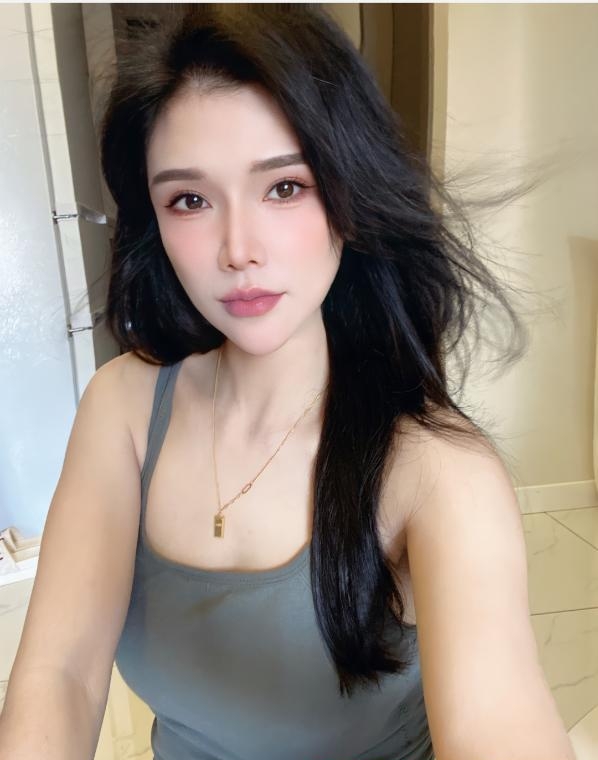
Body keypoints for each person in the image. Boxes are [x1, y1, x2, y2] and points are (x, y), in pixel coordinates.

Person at [0, 6, 575, 760]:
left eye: (284, 188)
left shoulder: (437, 470)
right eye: (190, 200)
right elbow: (62, 675)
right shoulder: (125, 408)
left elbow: (497, 726)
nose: (239, 250)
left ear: (349, 195)